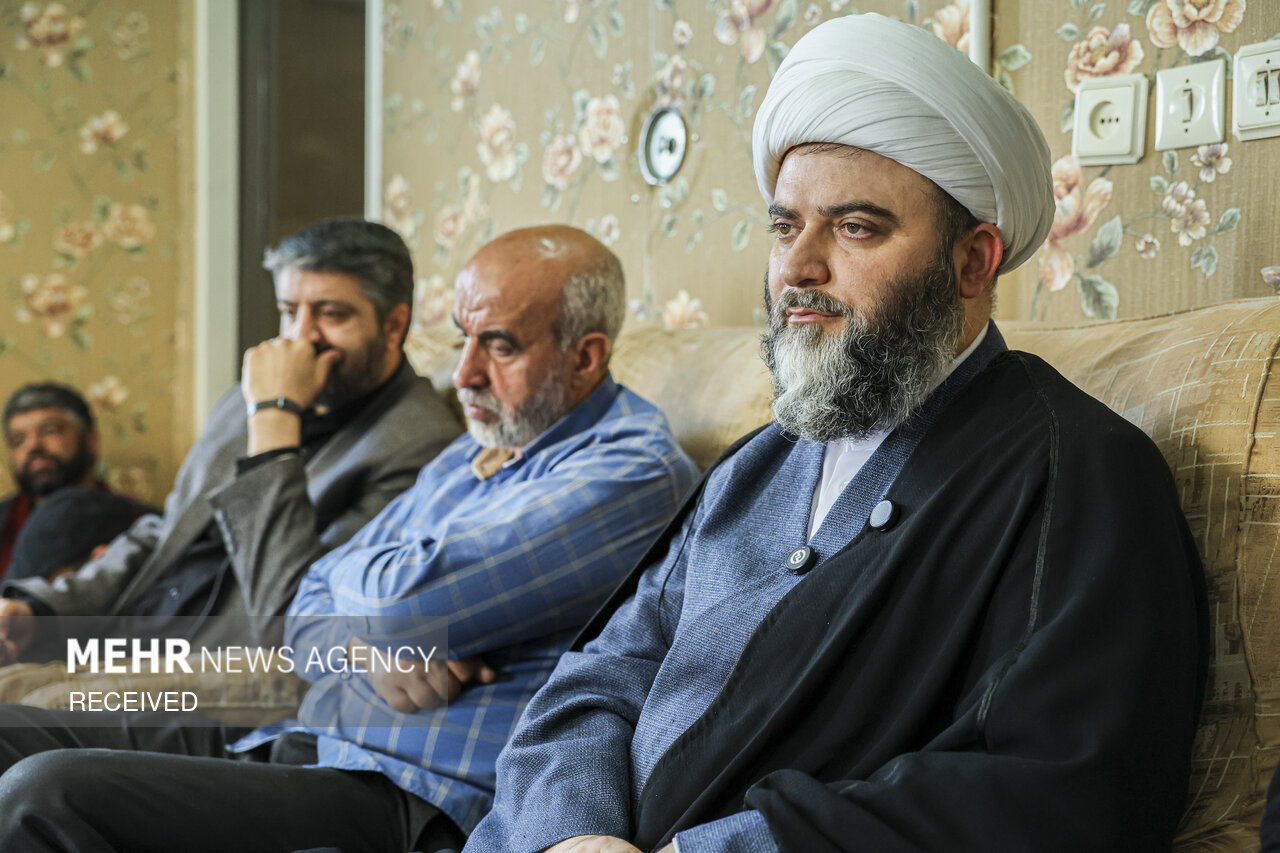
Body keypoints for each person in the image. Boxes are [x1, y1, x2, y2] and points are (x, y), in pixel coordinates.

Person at [465, 15, 1208, 853]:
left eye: (855, 227)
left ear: (973, 261)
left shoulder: (1075, 469)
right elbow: (597, 679)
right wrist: (572, 833)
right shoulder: (756, 465)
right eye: (786, 227)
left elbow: (1060, 795)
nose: (798, 267)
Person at [0, 224, 699, 853]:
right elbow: (310, 602)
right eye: (462, 338)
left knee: (43, 795)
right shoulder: (476, 450)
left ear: (585, 357)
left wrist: (374, 600)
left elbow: (390, 603)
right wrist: (367, 644)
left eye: (499, 344)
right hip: (306, 732)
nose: (464, 375)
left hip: (405, 785)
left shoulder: (630, 472)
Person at [0, 217, 460, 661]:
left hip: (221, 673)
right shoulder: (250, 397)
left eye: (332, 314)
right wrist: (43, 609)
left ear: (393, 325)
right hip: (125, 637)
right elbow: (167, 531)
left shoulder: (419, 447)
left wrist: (275, 423)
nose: (300, 338)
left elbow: (292, 614)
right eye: (289, 312)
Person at [0, 383, 152, 582]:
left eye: (50, 430)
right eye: (18, 439)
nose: (33, 445)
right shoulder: (5, 523)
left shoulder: (143, 524)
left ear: (91, 441)